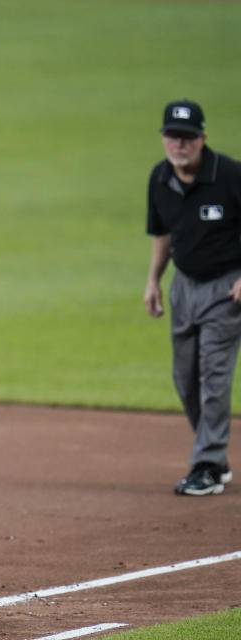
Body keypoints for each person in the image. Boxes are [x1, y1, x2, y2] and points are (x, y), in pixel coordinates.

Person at [144, 99, 241, 496]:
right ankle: (214, 460)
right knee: (184, 378)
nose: (178, 144)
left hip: (226, 288)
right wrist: (153, 279)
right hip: (183, 285)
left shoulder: (230, 175)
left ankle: (205, 462)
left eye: (186, 137)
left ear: (203, 138)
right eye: (172, 136)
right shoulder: (160, 178)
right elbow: (162, 233)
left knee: (213, 376)